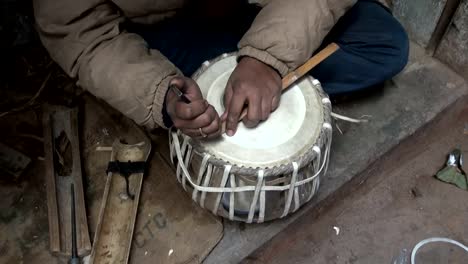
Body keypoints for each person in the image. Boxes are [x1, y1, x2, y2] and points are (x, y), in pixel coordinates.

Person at [33, 0, 408, 139]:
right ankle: (235, 77)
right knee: (193, 102)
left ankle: (249, 71)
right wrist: (159, 92)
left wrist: (267, 57)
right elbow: (81, 32)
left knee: (383, 44)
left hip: (270, 7)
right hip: (170, 26)